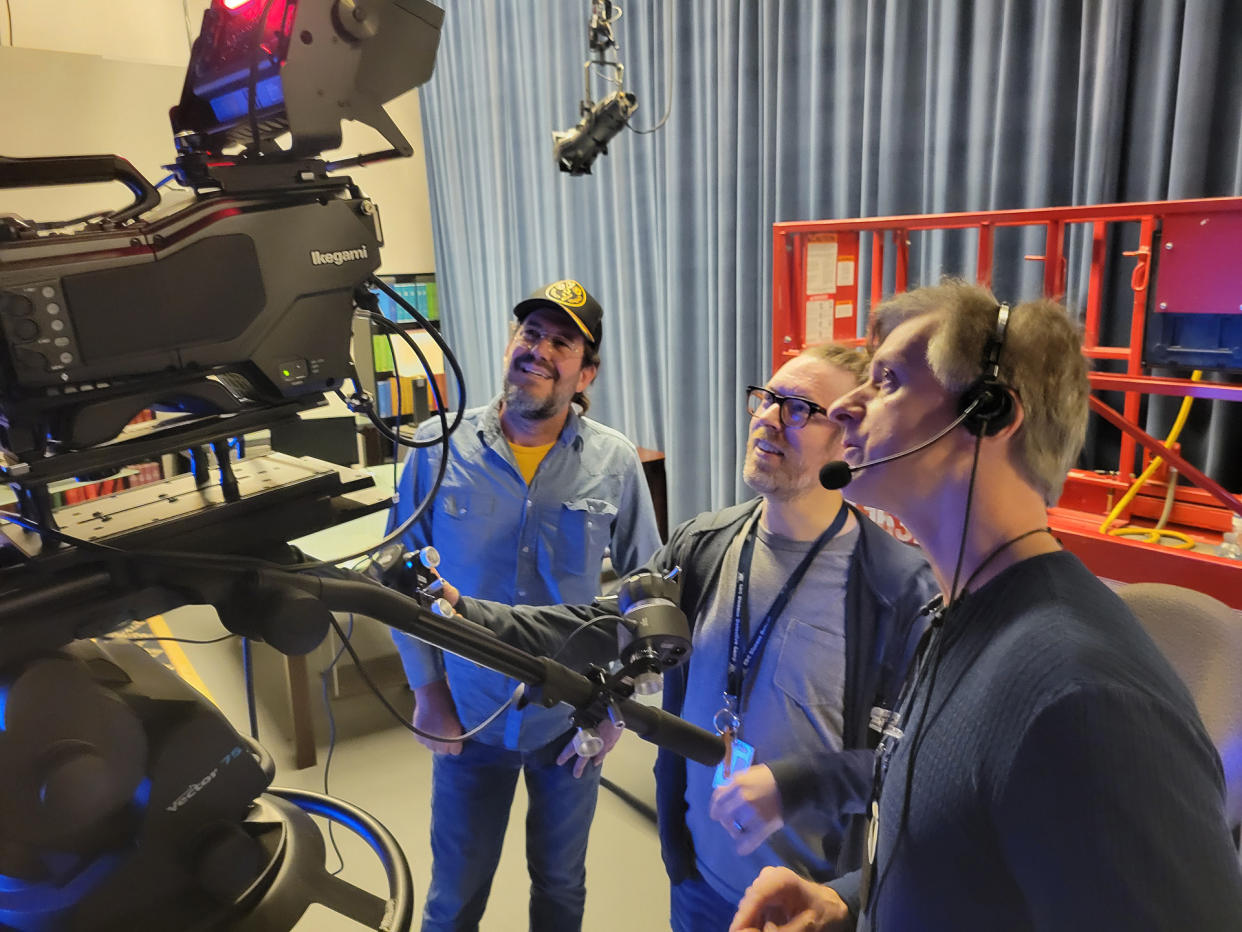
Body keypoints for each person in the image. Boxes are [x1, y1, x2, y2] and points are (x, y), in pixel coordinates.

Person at [730, 282, 1242, 932]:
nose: (848, 407)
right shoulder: (959, 616)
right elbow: (959, 845)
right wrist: (850, 902)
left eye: (885, 381)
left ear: (988, 415)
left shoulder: (1081, 699)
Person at [437, 343, 938, 932]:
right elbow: (598, 628)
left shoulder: (899, 592)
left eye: (800, 409)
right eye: (767, 399)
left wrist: (800, 794)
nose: (769, 419)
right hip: (697, 880)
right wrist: (465, 612)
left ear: (850, 440)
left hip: (807, 908)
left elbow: (921, 772)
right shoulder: (705, 545)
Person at [389, 279, 662, 932]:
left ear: (586, 371)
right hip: (469, 712)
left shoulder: (614, 462)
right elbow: (396, 578)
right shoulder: (439, 446)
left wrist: (620, 705)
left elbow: (647, 590)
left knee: (561, 887)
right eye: (530, 333)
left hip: (572, 722)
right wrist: (428, 694)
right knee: (453, 896)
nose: (539, 350)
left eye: (560, 341)